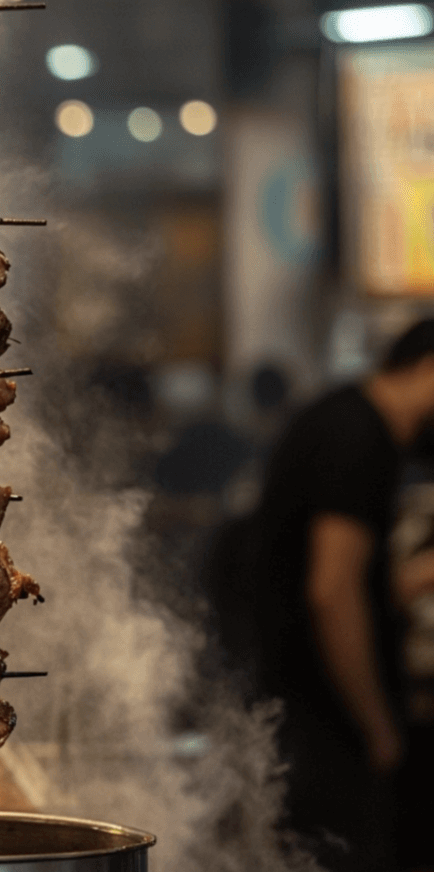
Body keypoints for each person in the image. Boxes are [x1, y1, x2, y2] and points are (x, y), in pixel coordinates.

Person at [211, 319, 434, 872]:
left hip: (297, 719)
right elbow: (331, 592)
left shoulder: (347, 419)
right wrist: (377, 726)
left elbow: (342, 580)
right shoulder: (358, 438)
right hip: (319, 728)